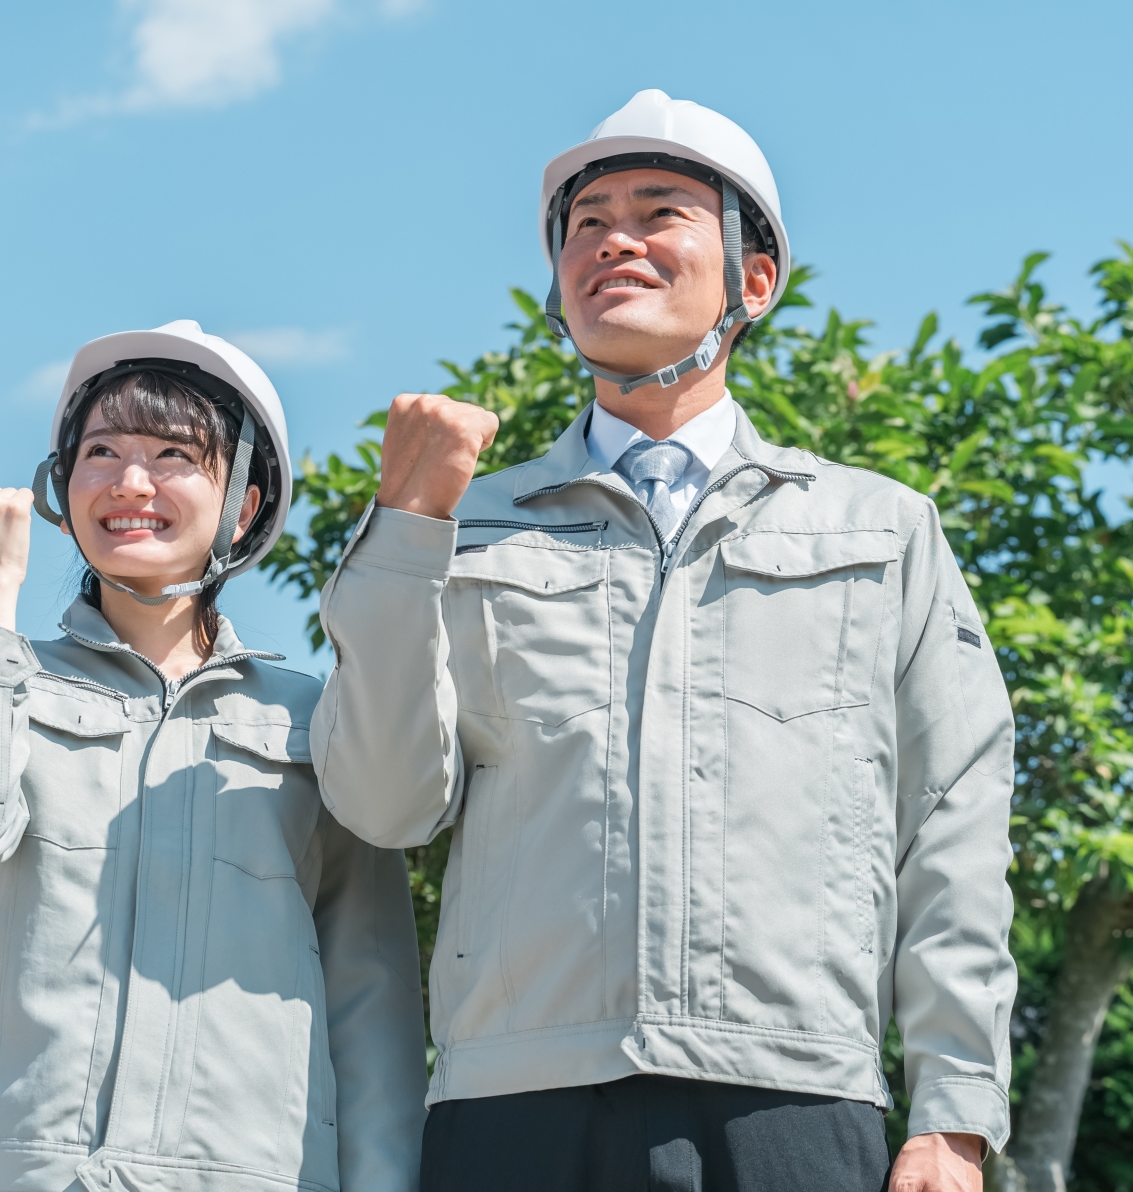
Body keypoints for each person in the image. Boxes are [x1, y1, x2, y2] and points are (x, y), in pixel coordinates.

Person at [310, 90, 1016, 1192]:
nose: (613, 240)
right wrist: (404, 532)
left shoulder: (881, 530)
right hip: (513, 1107)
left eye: (660, 210)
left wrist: (956, 1110)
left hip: (792, 1094)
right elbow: (384, 805)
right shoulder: (455, 524)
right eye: (585, 222)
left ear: (754, 278)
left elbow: (954, 823)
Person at [0, 321, 428, 1192]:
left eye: (175, 453)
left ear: (243, 504)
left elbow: (372, 1007)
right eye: (100, 451)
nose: (129, 481)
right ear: (63, 489)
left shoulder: (317, 719)